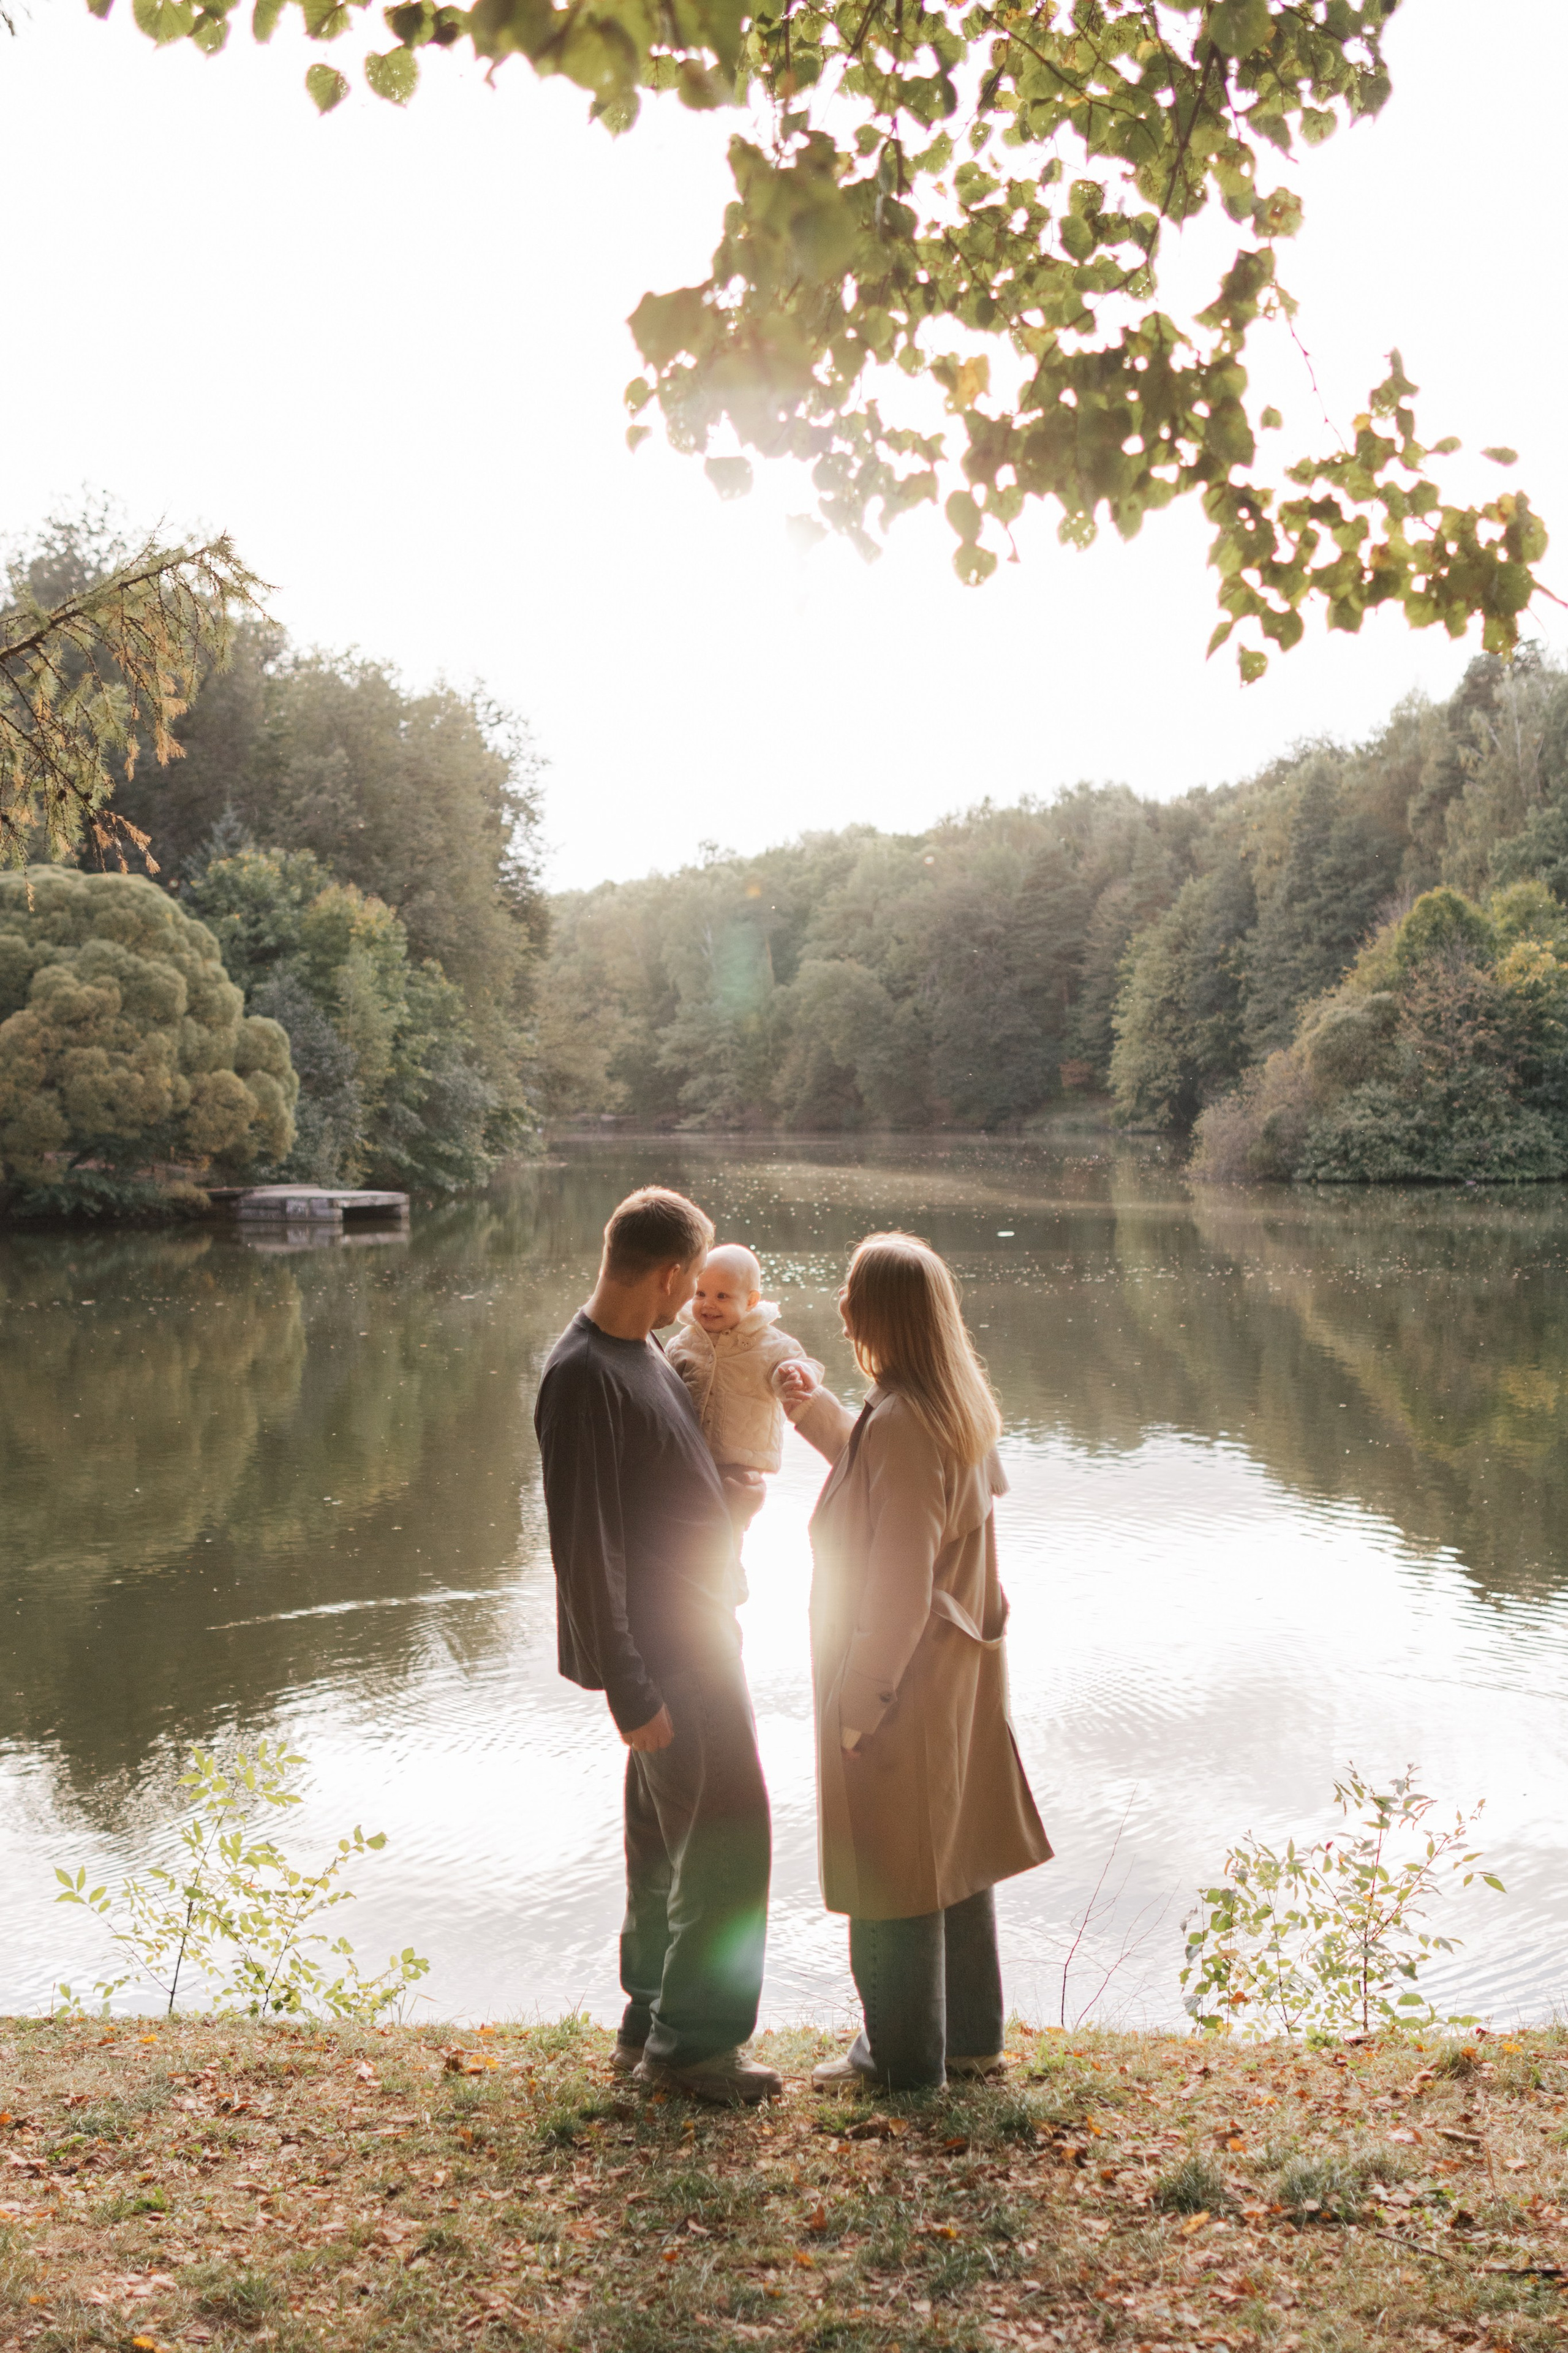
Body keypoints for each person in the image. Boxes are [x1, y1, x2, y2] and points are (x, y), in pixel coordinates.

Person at [780, 1231, 1052, 2091]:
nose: (841, 1306)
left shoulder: (903, 1420)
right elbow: (896, 1487)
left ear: (879, 1315)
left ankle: (899, 2061)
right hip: (958, 1675)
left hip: (905, 1679)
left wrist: (861, 1700)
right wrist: (813, 1408)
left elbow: (896, 1578)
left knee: (890, 1865)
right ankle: (968, 2041)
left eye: (851, 1294)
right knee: (953, 1856)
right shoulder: (954, 1403)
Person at [533, 1185, 781, 2105]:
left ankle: (650, 2023)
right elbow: (584, 1545)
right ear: (674, 1274)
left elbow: (665, 1499)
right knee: (727, 1838)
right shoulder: (582, 1374)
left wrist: (735, 1511)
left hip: (699, 1629)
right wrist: (628, 1690)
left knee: (671, 1843)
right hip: (668, 1655)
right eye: (693, 1283)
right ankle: (695, 2051)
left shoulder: (647, 1358)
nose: (695, 1301)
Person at [664, 1244, 824, 1503]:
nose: (708, 1305)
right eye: (701, 1293)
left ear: (751, 1301)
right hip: (689, 1459)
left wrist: (797, 1374)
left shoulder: (771, 1344)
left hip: (741, 1464)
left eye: (722, 1297)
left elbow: (804, 1365)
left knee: (731, 1523)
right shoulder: (685, 1342)